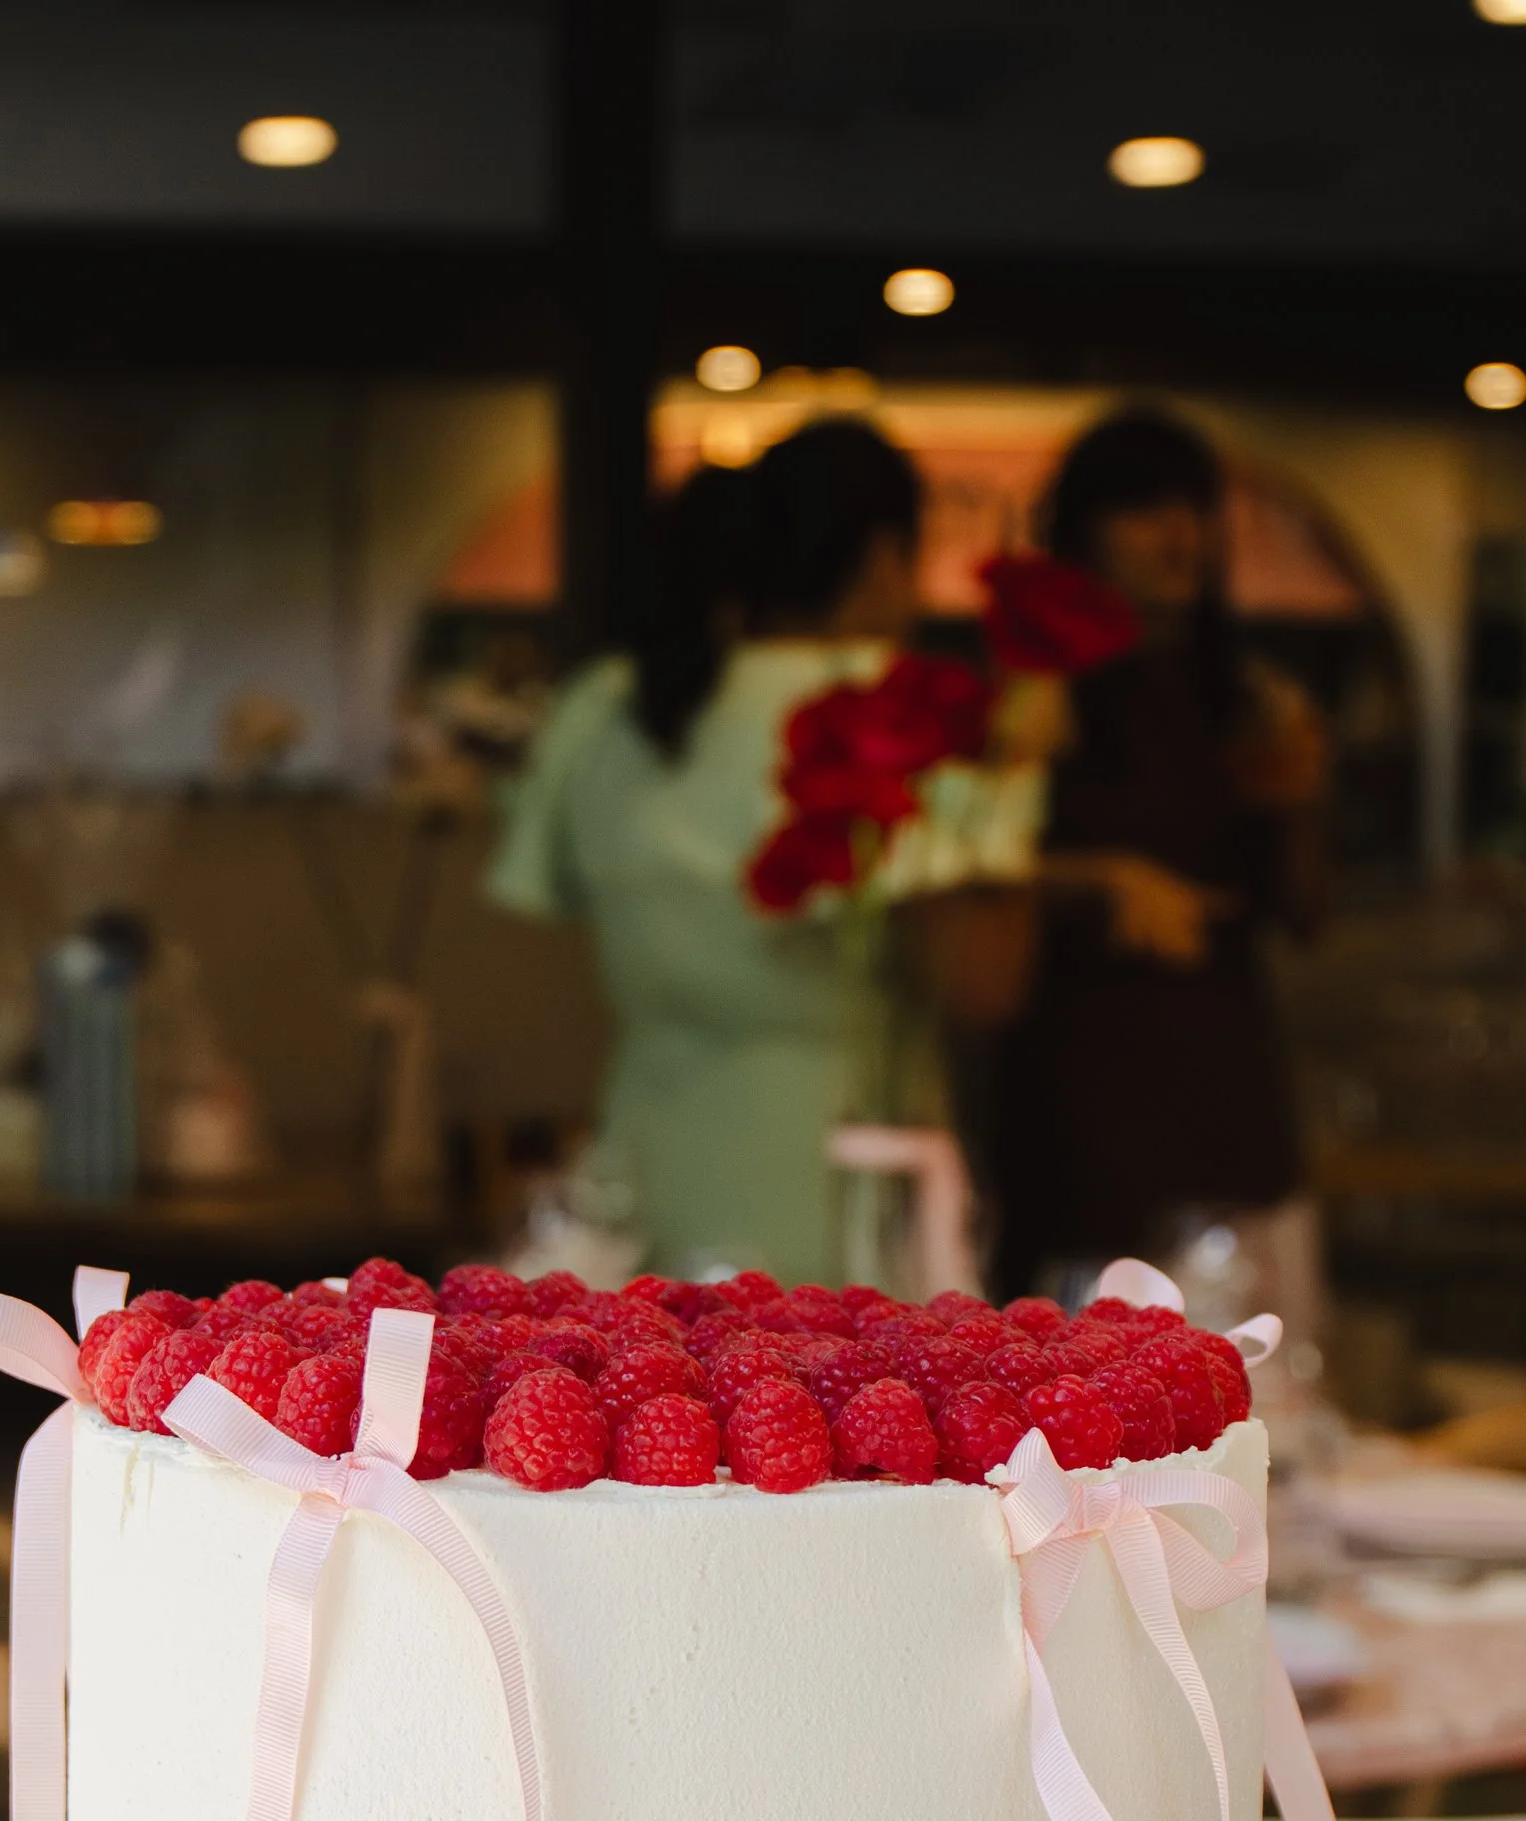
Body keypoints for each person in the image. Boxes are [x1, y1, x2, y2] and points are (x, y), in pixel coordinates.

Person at [486, 419, 1034, 1283]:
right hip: (835, 1168)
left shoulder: (610, 703)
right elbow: (982, 983)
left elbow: (547, 898)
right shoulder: (898, 707)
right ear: (886, 555)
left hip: (646, 1145)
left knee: (644, 1397)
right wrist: (1025, 788)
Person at [988, 406, 1329, 1322]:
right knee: (1086, 1361)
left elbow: (1301, 913)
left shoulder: (1239, 691)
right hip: (1086, 1072)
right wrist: (1100, 879)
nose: (1180, 535)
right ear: (1086, 531)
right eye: (1144, 510)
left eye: (1194, 509)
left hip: (1223, 1057)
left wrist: (1292, 800)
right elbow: (982, 875)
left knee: (1243, 1348)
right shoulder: (1035, 685)